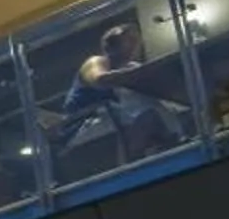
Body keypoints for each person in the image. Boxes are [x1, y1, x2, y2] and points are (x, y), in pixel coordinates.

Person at [58, 23, 178, 156]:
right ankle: (135, 159)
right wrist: (141, 72)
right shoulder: (96, 62)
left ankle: (170, 143)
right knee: (149, 117)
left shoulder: (131, 67)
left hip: (115, 125)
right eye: (130, 40)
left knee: (159, 109)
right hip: (84, 130)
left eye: (136, 40)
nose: (136, 45)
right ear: (110, 47)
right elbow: (100, 79)